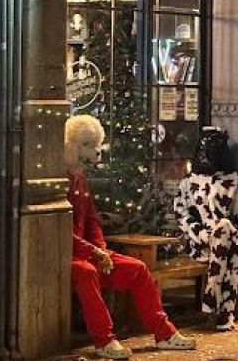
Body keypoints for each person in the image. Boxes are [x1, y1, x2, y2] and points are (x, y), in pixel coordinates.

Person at [65, 115, 196, 359]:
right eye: (87, 145)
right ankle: (104, 340)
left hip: (89, 252)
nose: (96, 151)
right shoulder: (62, 180)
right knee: (87, 273)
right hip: (66, 255)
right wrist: (96, 252)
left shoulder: (81, 179)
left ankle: (164, 333)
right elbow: (62, 232)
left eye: (95, 144)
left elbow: (92, 221)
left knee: (138, 269)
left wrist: (101, 249)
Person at [174, 127, 238, 332]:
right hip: (199, 243)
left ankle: (212, 295)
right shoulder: (189, 182)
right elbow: (181, 214)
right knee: (225, 241)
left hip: (227, 238)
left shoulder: (233, 180)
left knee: (224, 228)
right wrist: (200, 233)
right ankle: (224, 312)